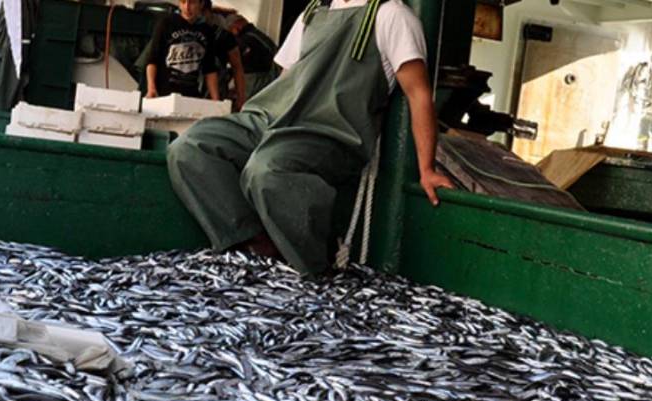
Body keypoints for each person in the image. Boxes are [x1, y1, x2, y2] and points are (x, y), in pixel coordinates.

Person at [167, 0, 453, 275]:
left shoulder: (392, 15)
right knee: (189, 146)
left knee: (267, 169)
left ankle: (317, 264)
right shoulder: (313, 12)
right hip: (273, 117)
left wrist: (426, 169)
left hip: (329, 130)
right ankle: (256, 246)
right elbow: (288, 78)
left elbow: (419, 95)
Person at [145, 0, 220, 101]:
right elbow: (152, 59)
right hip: (164, 92)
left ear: (201, 4)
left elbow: (210, 68)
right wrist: (151, 88)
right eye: (183, 2)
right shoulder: (167, 23)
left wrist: (216, 99)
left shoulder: (207, 31)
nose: (187, 7)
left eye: (192, 2)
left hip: (191, 94)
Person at [202, 3, 245, 110]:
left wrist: (241, 97)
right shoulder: (184, 29)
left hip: (217, 88)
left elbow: (237, 67)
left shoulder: (223, 36)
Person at [224, 14, 277, 99]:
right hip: (269, 75)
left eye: (231, 29)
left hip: (258, 76)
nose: (231, 33)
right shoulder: (257, 34)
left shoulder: (246, 39)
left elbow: (238, 59)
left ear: (238, 24)